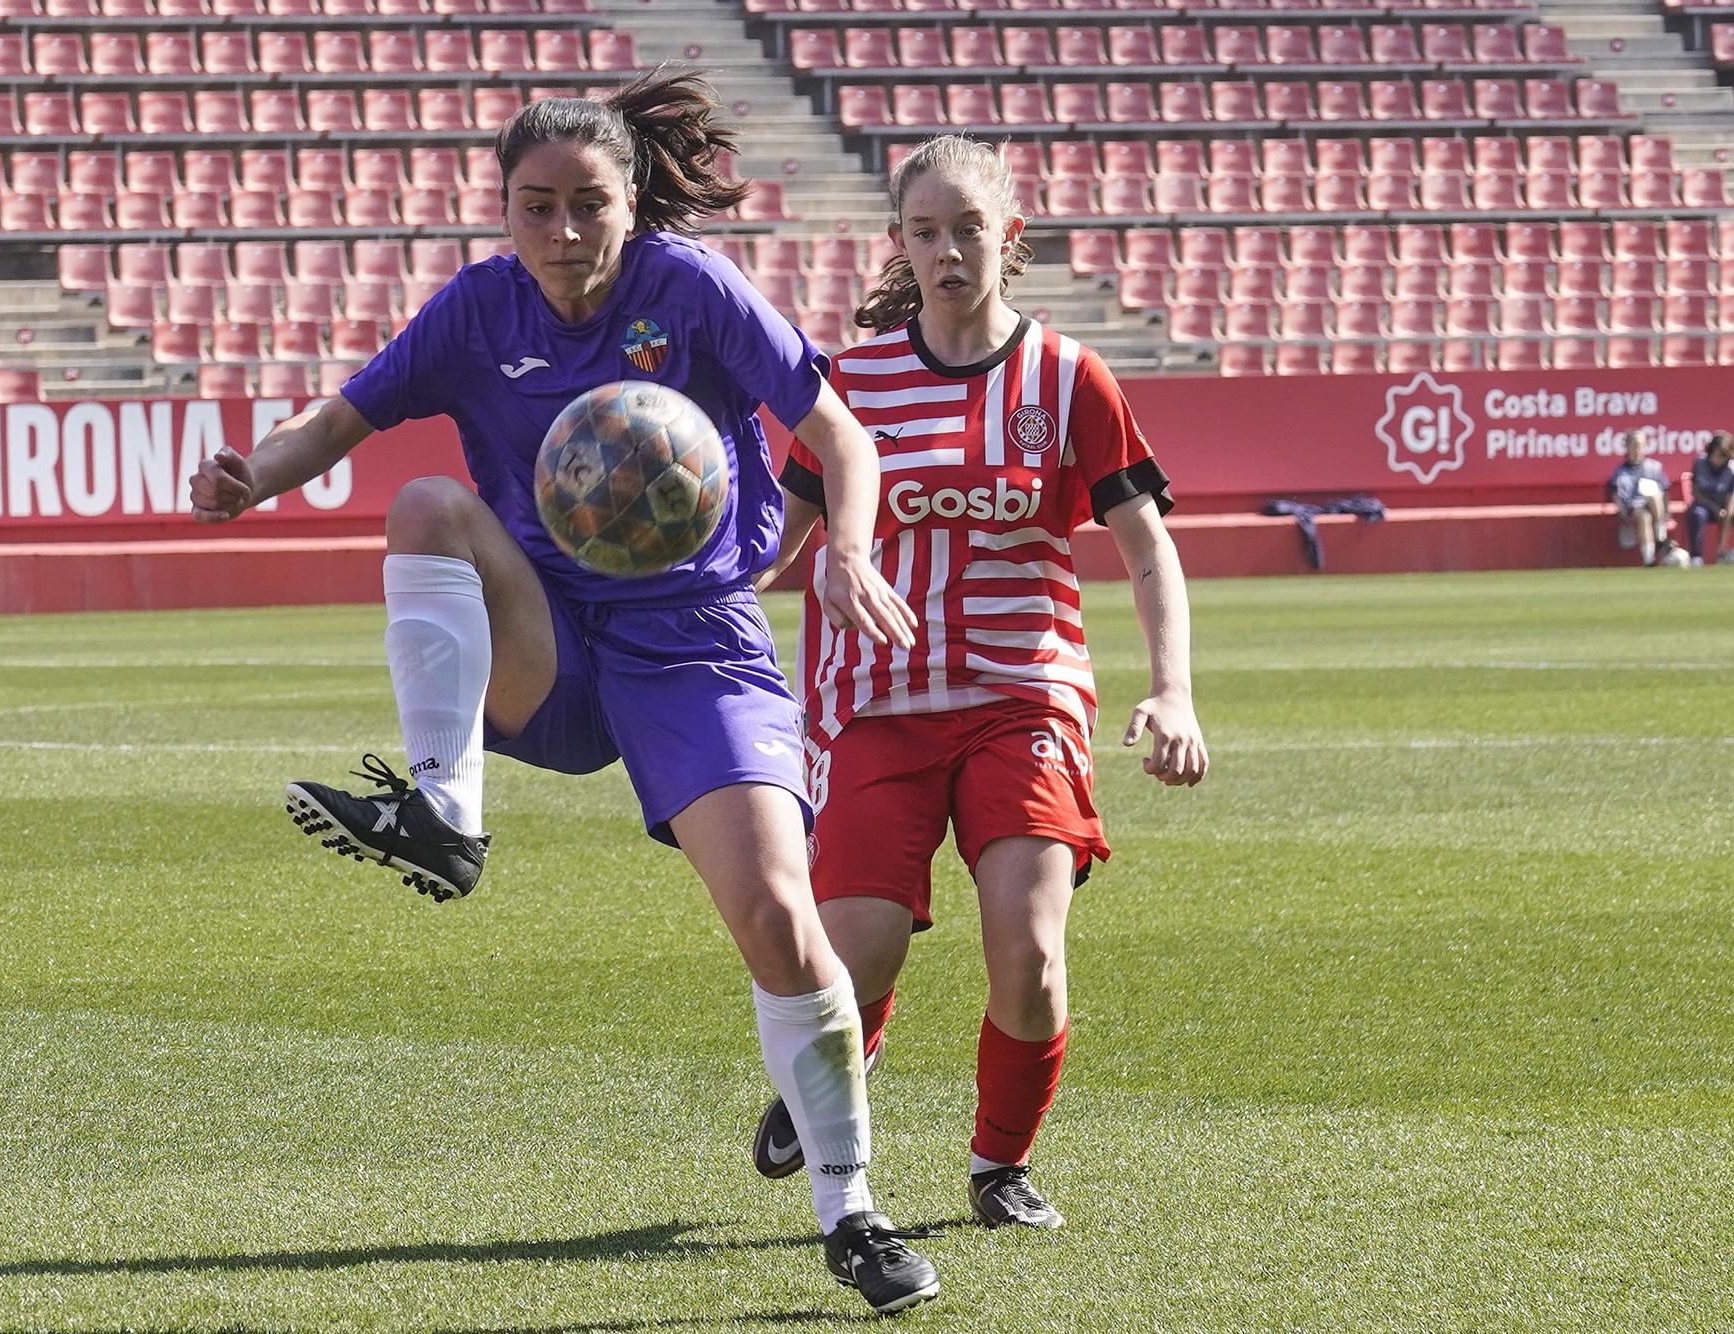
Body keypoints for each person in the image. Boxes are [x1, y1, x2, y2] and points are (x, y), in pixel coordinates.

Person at [185, 71, 941, 1313]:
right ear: (502, 209)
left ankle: (849, 1209)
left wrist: (846, 547)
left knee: (775, 919)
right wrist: (250, 478)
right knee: (427, 503)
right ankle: (446, 812)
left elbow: (838, 436)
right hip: (552, 642)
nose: (562, 234)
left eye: (586, 205)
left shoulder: (686, 288)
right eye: (534, 207)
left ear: (629, 200)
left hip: (696, 641)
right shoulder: (476, 309)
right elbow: (345, 417)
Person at [747, 135, 1209, 1230]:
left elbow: (1144, 543)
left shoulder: (1066, 376)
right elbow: (776, 541)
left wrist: (1173, 687)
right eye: (924, 231)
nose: (947, 250)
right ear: (899, 243)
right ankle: (836, 1049)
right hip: (873, 704)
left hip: (1024, 697)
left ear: (1008, 234)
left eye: (967, 228)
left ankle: (998, 1164)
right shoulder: (848, 385)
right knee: (848, 955)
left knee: (1030, 950)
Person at [1607, 429, 1682, 568]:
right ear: (1627, 448)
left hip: (1656, 505)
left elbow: (1665, 491)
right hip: (1634, 507)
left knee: (1654, 495)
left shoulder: (1654, 467)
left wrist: (1666, 513)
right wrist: (1622, 512)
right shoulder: (1620, 471)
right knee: (1644, 517)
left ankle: (1660, 535)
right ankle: (1649, 559)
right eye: (1633, 445)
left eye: (1640, 445)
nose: (1637, 449)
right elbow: (1615, 493)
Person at [1684, 431, 1733, 566]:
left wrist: (1720, 547)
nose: (1717, 458)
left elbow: (1731, 501)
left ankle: (1724, 554)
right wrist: (1715, 508)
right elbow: (1695, 492)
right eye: (1714, 454)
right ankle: (1696, 557)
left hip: (1726, 507)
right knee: (1697, 514)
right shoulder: (1699, 463)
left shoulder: (1731, 470)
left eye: (1722, 455)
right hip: (1704, 504)